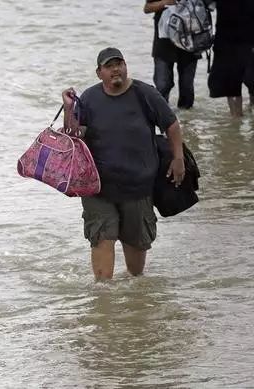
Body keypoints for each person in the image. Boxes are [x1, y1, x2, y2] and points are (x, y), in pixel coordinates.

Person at [61, 48, 185, 280]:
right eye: (109, 66)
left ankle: (131, 306)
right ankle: (104, 307)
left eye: (119, 63)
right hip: (98, 188)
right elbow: (72, 135)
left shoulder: (145, 93)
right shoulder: (89, 98)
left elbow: (172, 125)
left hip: (138, 189)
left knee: (136, 274)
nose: (116, 69)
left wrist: (178, 159)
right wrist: (69, 108)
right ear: (99, 73)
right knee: (102, 272)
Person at [144, 0, 199, 109]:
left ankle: (187, 123)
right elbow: (147, 8)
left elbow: (209, 6)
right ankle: (162, 118)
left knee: (187, 88)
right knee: (162, 85)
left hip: (189, 39)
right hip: (164, 41)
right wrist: (165, 2)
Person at [207, 0, 254, 117]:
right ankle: (236, 118)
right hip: (226, 42)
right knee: (231, 85)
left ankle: (244, 113)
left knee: (250, 80)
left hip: (246, 42)